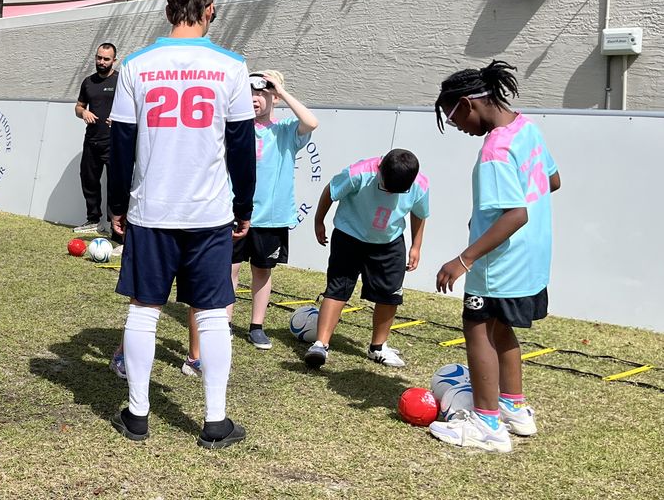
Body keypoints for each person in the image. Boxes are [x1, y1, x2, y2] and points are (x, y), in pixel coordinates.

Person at [106, 0, 255, 450]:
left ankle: (137, 415)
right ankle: (215, 421)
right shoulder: (231, 66)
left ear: (168, 9)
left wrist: (117, 204)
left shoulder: (136, 64)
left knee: (144, 309)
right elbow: (242, 145)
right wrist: (244, 204)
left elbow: (121, 143)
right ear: (210, 9)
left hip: (151, 209)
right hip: (209, 213)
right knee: (211, 314)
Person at [429, 60, 560, 454]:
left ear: (468, 104)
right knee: (502, 329)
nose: (457, 127)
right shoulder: (526, 128)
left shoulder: (494, 150)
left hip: (499, 263)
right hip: (532, 257)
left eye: (454, 118)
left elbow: (515, 214)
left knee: (479, 330)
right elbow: (552, 180)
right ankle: (514, 409)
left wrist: (464, 259)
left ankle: (486, 425)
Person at [307, 148, 429, 369]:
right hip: (349, 236)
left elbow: (419, 213)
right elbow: (331, 191)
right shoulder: (358, 173)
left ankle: (377, 348)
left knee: (390, 295)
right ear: (380, 170)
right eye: (386, 187)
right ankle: (320, 345)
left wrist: (416, 246)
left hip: (389, 241)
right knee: (337, 288)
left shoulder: (420, 185)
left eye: (398, 191)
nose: (390, 194)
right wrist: (319, 221)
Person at [231, 70, 319, 352]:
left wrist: (280, 90)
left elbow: (311, 122)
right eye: (250, 93)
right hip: (235, 213)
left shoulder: (285, 130)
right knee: (229, 269)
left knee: (262, 272)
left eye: (262, 93)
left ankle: (256, 327)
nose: (255, 98)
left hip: (271, 217)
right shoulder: (235, 128)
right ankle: (225, 323)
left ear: (275, 98)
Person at [73, 44, 118, 235]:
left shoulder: (121, 81)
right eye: (99, 58)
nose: (102, 62)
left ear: (114, 60)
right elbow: (78, 107)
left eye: (106, 59)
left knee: (116, 185)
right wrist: (83, 112)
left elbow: (134, 106)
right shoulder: (88, 82)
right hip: (92, 140)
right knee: (88, 179)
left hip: (114, 142)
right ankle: (93, 220)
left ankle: (116, 225)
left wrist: (120, 119)